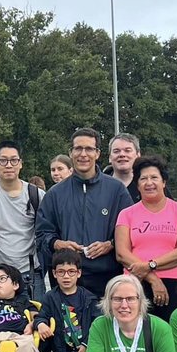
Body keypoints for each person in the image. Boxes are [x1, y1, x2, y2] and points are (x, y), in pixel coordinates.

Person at [36, 128, 132, 300]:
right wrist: (58, 243)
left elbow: (131, 231)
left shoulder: (116, 190)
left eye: (89, 149)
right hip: (67, 281)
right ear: (70, 153)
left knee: (104, 326)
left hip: (107, 279)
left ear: (98, 153)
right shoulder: (55, 193)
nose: (83, 154)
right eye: (78, 149)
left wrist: (110, 244)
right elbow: (42, 235)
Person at [114, 156, 177, 322]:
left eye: (154, 177)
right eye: (143, 179)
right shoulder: (126, 214)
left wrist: (150, 265)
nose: (149, 182)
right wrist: (153, 278)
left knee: (171, 336)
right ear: (137, 185)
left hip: (175, 285)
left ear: (164, 182)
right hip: (136, 284)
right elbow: (122, 254)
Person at [0, 140, 46, 295]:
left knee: (36, 318)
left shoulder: (36, 195)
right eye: (3, 160)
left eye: (14, 160)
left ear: (20, 164)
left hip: (29, 274)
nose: (9, 165)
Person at [106, 133, 142, 204]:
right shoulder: (99, 187)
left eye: (127, 150)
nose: (122, 154)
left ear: (138, 155)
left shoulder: (149, 184)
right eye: (116, 151)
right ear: (110, 157)